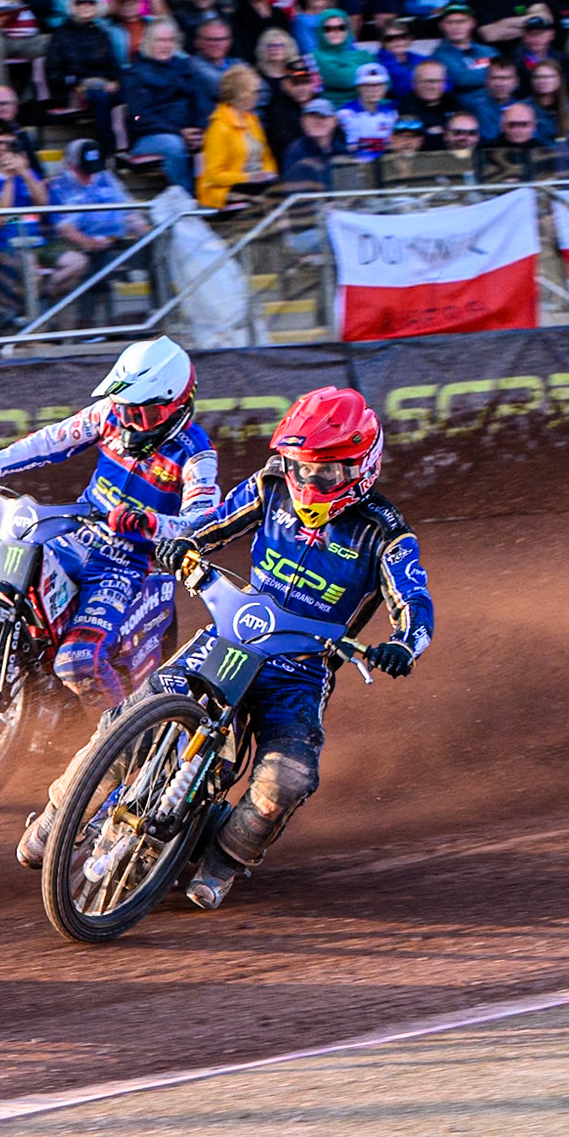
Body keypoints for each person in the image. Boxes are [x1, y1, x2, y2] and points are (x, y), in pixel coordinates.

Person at [148, 388, 432, 909]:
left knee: (287, 776)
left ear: (362, 466)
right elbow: (209, 527)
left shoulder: (386, 534)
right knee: (144, 707)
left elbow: (414, 602)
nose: (309, 481)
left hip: (300, 670)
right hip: (235, 636)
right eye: (301, 467)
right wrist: (185, 544)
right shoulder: (271, 484)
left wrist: (403, 646)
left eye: (327, 472)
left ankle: (223, 860)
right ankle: (66, 809)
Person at [0, 338, 218, 868]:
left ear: (175, 405)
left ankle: (116, 747)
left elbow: (203, 523)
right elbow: (50, 441)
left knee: (79, 661)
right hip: (78, 535)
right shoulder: (109, 416)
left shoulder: (197, 454)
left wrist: (151, 524)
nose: (129, 419)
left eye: (142, 411)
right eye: (125, 407)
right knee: (6, 591)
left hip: (131, 567)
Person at [46, 138, 146, 299]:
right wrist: (91, 243)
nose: (91, 173)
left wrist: (142, 229)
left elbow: (128, 208)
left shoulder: (106, 178)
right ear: (72, 163)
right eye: (84, 169)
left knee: (153, 249)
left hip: (117, 242)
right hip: (83, 247)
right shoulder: (59, 186)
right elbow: (64, 228)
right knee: (97, 263)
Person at [121, 19, 205, 188]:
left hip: (186, 133)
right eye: (160, 40)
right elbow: (138, 117)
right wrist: (179, 132)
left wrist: (199, 131)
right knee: (173, 145)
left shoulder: (186, 69)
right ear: (148, 42)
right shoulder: (134, 74)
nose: (165, 45)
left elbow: (200, 104)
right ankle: (186, 199)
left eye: (169, 40)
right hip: (148, 138)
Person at [197, 63, 277, 207]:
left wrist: (268, 174)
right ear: (242, 95)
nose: (258, 96)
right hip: (227, 188)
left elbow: (267, 157)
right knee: (271, 198)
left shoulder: (252, 120)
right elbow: (213, 176)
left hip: (255, 183)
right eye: (255, 92)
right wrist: (249, 177)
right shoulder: (219, 127)